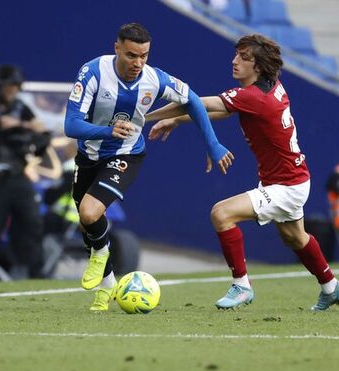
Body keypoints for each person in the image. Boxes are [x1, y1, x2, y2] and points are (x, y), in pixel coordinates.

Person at [146, 33, 339, 311]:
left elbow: (198, 103)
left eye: (244, 57)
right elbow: (225, 112)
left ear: (259, 66)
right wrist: (175, 120)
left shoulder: (254, 97)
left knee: (221, 213)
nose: (235, 61)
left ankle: (241, 286)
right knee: (293, 236)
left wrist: (146, 116)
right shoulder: (269, 87)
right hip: (294, 178)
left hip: (286, 186)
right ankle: (331, 286)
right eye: (236, 54)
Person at [63, 23, 233, 311]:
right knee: (87, 222)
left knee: (90, 212)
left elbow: (192, 99)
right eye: (131, 55)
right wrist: (107, 131)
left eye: (144, 56)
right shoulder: (92, 72)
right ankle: (106, 290)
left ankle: (101, 255)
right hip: (89, 155)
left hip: (126, 154)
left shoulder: (154, 79)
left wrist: (212, 144)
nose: (138, 63)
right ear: (116, 47)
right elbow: (71, 125)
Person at [0, 65, 49, 281]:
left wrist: (20, 124)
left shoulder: (21, 109)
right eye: (8, 85)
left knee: (33, 222)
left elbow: (41, 129)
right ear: (0, 86)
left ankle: (36, 272)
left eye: (15, 85)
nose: (11, 89)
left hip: (17, 175)